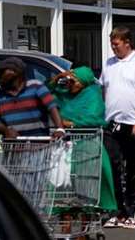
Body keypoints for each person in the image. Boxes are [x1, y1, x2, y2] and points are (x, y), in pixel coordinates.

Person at [100, 27, 135, 230]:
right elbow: (105, 90)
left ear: (127, 43)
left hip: (134, 124)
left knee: (133, 170)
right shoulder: (109, 64)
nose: (114, 48)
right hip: (112, 123)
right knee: (113, 169)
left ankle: (132, 213)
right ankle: (117, 211)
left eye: (117, 44)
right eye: (112, 44)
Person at [47, 66, 118, 213]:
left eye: (75, 82)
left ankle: (90, 210)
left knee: (87, 179)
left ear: (84, 83)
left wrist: (69, 123)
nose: (71, 84)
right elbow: (46, 94)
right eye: (70, 81)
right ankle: (62, 209)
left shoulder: (93, 95)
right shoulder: (65, 94)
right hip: (66, 143)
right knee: (61, 178)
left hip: (87, 141)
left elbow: (94, 118)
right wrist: (57, 79)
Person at [0, 57, 65, 139]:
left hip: (39, 143)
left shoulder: (36, 86)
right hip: (13, 145)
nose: (0, 75)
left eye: (2, 72)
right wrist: (6, 131)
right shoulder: (0, 93)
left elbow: (52, 108)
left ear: (15, 72)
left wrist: (60, 129)